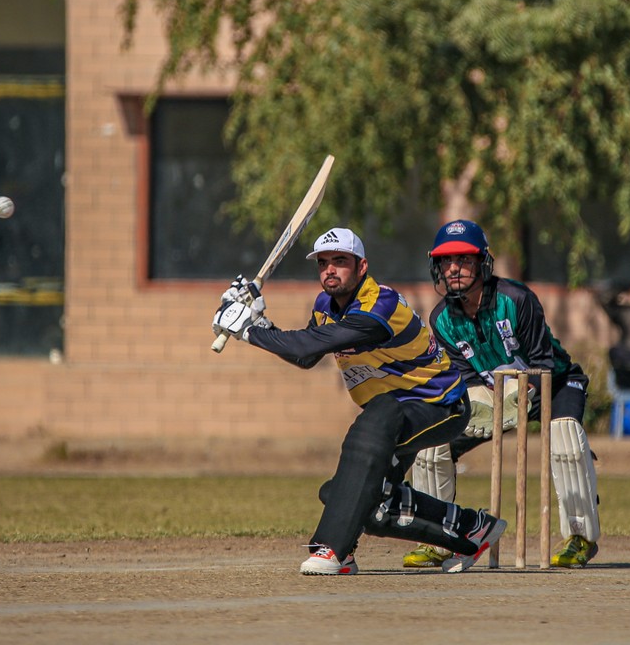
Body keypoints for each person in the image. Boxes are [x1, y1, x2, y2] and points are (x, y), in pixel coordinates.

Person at [211, 227, 506, 575]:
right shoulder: (325, 305)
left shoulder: (380, 305)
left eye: (340, 261)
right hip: (394, 413)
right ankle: (472, 529)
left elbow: (308, 344)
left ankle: (331, 549)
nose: (330, 270)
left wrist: (249, 330)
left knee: (373, 424)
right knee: (360, 501)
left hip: (439, 405)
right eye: (323, 263)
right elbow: (306, 356)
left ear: (362, 266)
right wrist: (260, 322)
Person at [404, 220, 601, 569]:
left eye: (464, 259)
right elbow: (465, 377)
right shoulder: (441, 319)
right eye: (447, 261)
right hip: (493, 395)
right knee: (430, 447)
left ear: (483, 262)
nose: (454, 268)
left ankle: (580, 537)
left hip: (552, 383)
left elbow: (542, 363)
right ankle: (437, 539)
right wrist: (480, 404)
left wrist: (519, 398)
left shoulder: (517, 299)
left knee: (565, 436)